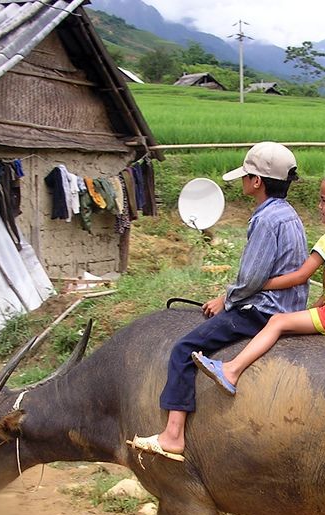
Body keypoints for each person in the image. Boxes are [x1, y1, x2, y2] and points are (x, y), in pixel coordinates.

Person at [128, 142, 308, 461]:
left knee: (184, 349)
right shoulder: (289, 214)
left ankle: (173, 434)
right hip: (290, 305)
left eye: (246, 175)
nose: (243, 181)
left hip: (264, 310)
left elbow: (251, 279)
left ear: (257, 182)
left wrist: (226, 300)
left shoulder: (265, 219)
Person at [192, 168, 325, 395]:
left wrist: (260, 284)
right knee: (293, 321)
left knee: (278, 322)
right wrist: (315, 308)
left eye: (324, 201)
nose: (319, 206)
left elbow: (301, 275)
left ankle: (231, 369)